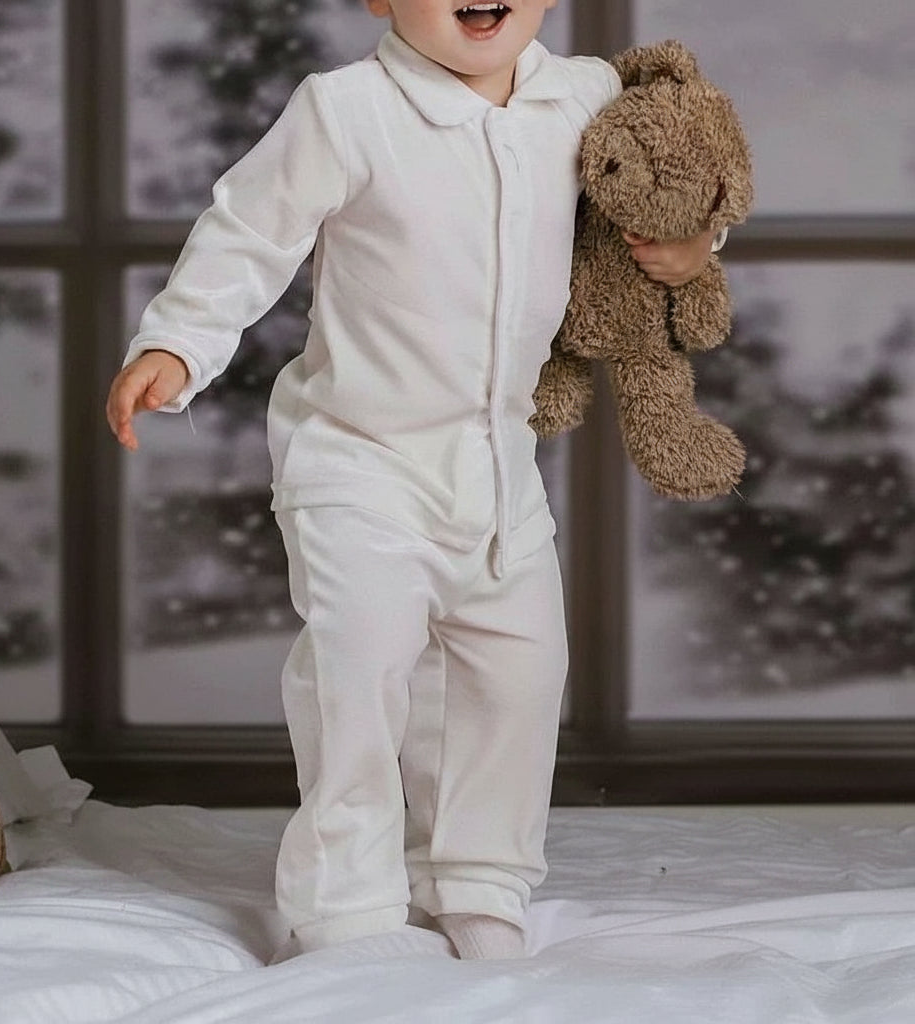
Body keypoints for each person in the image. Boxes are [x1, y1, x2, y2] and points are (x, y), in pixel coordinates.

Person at [106, 0, 722, 961]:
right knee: (362, 661)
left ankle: (476, 878)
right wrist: (177, 345)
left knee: (513, 672)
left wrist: (696, 251)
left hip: (497, 457)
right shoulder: (348, 109)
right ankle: (346, 903)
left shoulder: (587, 96)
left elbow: (670, 186)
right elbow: (248, 233)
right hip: (356, 449)